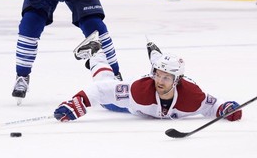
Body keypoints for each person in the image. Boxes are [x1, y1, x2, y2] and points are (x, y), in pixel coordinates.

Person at [54, 31, 243, 122]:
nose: (159, 81)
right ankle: (96, 52)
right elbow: (101, 91)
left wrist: (228, 109)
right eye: (157, 75)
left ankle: (154, 53)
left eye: (166, 78)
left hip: (152, 101)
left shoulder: (191, 95)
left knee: (156, 61)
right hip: (135, 108)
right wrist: (76, 102)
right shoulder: (139, 90)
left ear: (177, 81)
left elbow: (214, 106)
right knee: (106, 84)